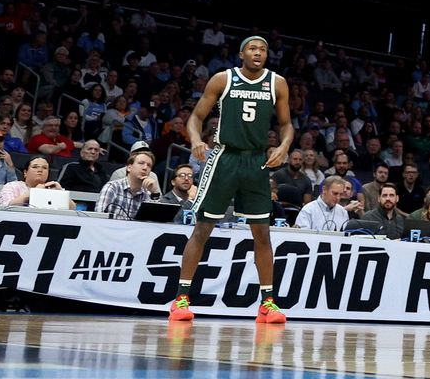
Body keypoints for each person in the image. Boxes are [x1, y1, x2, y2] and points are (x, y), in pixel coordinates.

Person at [170, 35, 293, 325]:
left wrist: (284, 146)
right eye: (252, 48)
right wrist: (197, 140)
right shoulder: (223, 79)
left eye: (263, 49)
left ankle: (267, 304)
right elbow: (196, 116)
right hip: (225, 157)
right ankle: (181, 299)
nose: (258, 53)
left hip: (256, 160)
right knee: (203, 228)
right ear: (241, 54)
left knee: (262, 234)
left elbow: (287, 124)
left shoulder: (277, 83)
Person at [97, 148, 157, 220]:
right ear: (129, 167)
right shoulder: (113, 187)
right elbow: (99, 217)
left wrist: (154, 193)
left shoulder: (148, 194)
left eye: (149, 165)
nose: (145, 168)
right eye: (141, 163)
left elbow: (155, 222)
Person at [0, 156, 67, 207]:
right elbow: (5, 207)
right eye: (35, 167)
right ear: (25, 172)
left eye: (44, 168)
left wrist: (60, 192)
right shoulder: (12, 186)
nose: (40, 170)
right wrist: (34, 192)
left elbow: (72, 209)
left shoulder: (52, 189)